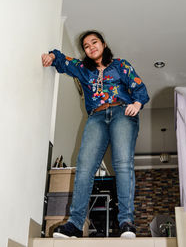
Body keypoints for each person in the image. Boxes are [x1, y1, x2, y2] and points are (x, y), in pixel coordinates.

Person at [41, 30, 149, 238]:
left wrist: (137, 103)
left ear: (104, 44)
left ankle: (126, 222)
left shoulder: (121, 65)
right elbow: (64, 61)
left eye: (94, 42)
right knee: (84, 168)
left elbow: (138, 86)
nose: (91, 47)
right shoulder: (83, 69)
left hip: (122, 112)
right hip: (96, 118)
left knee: (123, 164)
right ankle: (74, 224)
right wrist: (52, 56)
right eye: (87, 46)